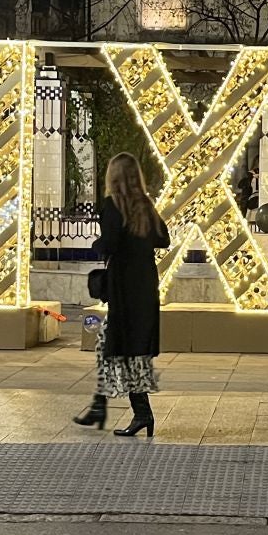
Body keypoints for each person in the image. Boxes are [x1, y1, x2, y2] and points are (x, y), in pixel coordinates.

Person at [72, 153, 170, 437]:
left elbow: (110, 242)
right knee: (124, 349)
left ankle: (141, 413)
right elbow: (163, 239)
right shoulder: (145, 205)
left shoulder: (112, 205)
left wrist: (98, 242)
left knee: (120, 349)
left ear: (113, 177)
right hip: (144, 286)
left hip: (124, 287)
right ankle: (102, 408)